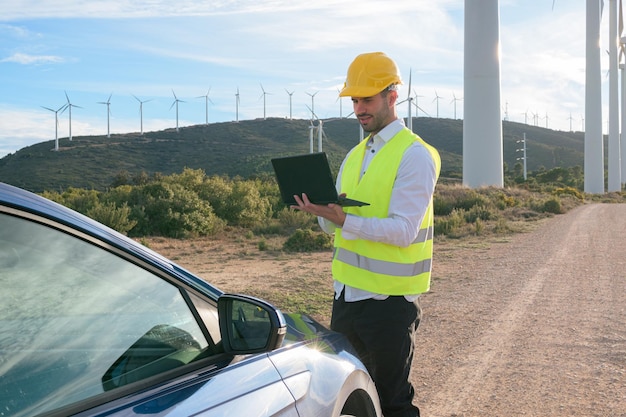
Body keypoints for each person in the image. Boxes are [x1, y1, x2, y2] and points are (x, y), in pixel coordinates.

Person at [292, 51, 440, 417]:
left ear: (392, 96)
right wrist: (320, 213)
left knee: (391, 402)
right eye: (354, 100)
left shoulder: (414, 155)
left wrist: (343, 220)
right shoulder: (354, 156)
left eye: (367, 99)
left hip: (388, 304)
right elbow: (335, 226)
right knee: (351, 399)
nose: (358, 108)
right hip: (346, 298)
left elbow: (404, 231)